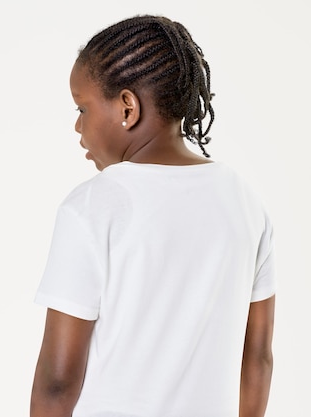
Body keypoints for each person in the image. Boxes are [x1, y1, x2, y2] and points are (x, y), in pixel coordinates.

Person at [30, 15, 275, 417]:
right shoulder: (246, 202)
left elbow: (57, 382)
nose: (77, 126)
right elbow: (259, 356)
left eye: (82, 108)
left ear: (128, 107)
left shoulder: (93, 207)